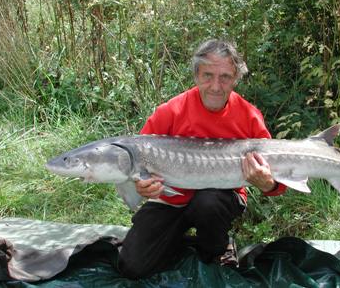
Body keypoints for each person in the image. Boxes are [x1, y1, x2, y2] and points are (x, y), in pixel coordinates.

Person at [117, 39, 286, 279]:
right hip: (171, 198)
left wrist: (267, 183)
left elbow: (277, 177)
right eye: (208, 75)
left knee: (207, 204)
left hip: (219, 197)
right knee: (131, 267)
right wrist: (142, 186)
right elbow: (138, 160)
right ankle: (179, 236)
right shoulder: (170, 111)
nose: (216, 86)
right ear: (196, 75)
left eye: (225, 77)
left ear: (236, 77)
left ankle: (218, 246)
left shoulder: (249, 116)